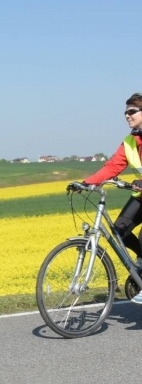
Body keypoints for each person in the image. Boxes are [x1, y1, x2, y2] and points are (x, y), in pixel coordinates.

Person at [75, 93, 142, 303]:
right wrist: (87, 182)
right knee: (119, 231)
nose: (127, 116)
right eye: (125, 112)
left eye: (132, 111)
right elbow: (113, 166)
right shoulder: (130, 142)